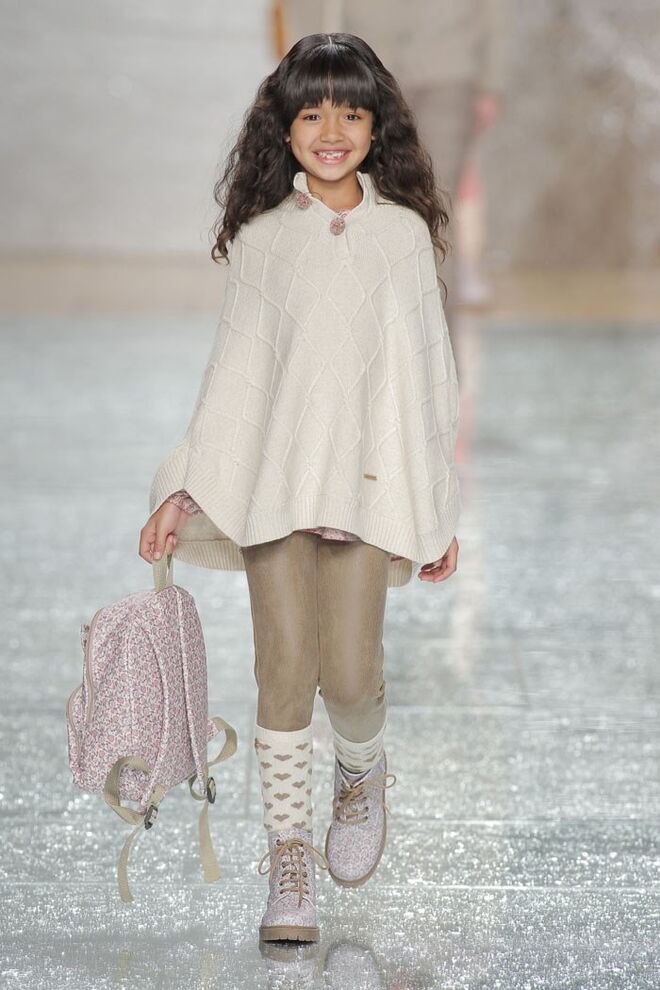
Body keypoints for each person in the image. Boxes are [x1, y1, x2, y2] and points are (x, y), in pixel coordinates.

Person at [138, 32, 461, 943]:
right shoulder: (263, 241)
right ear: (281, 129)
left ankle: (361, 772)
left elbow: (427, 379)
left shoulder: (401, 239)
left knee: (350, 675)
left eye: (350, 113)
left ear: (377, 127)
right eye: (311, 113)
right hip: (277, 483)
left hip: (366, 486)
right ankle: (288, 862)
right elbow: (235, 375)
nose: (331, 131)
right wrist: (184, 487)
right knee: (283, 671)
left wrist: (436, 507)